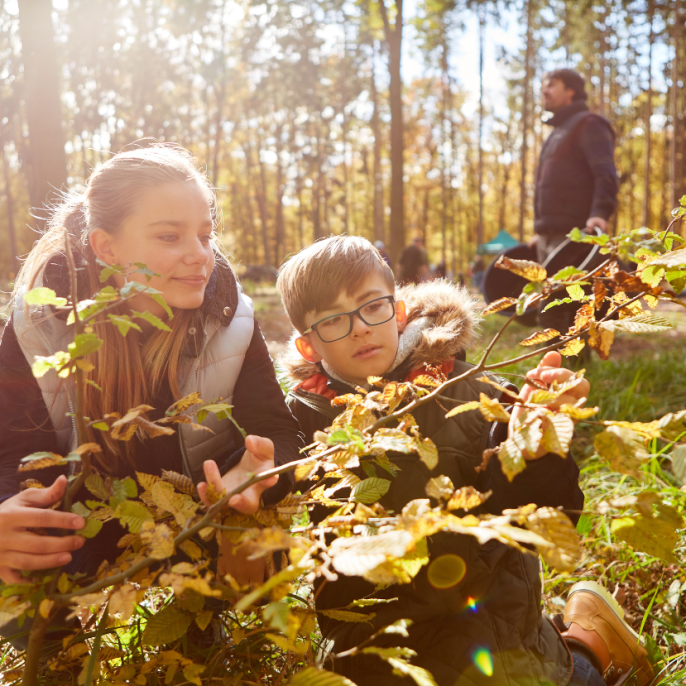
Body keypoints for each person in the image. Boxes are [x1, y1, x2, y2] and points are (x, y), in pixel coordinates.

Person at [275, 235, 653, 686]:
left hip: (500, 650)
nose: (359, 328)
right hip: (376, 660)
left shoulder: (472, 396)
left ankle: (588, 641)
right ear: (309, 346)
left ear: (398, 313)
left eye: (372, 306)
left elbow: (551, 519)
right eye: (334, 319)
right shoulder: (297, 427)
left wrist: (533, 449)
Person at [0, 144, 303, 649]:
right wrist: (6, 510)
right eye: (169, 236)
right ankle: (56, 662)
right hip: (80, 527)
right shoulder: (39, 327)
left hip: (197, 520)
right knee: (17, 554)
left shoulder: (232, 320)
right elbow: (11, 451)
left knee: (255, 552)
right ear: (107, 248)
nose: (199, 253)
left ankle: (201, 648)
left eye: (205, 235)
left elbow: (275, 428)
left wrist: (257, 480)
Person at [533, 69, 619, 333]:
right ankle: (553, 360)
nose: (545, 90)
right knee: (550, 313)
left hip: (576, 237)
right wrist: (542, 231)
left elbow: (605, 173)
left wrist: (600, 212)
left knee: (571, 312)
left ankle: (575, 360)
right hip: (549, 237)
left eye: (552, 84)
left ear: (571, 91)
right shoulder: (557, 132)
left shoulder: (589, 123)